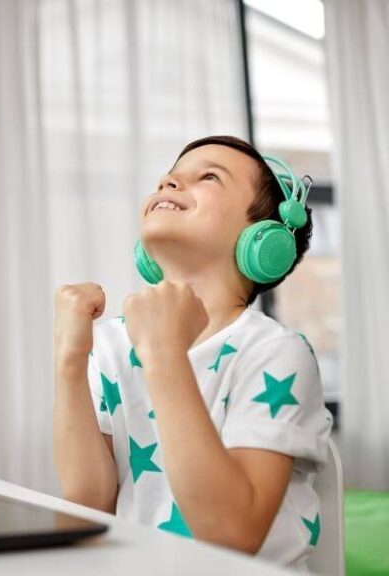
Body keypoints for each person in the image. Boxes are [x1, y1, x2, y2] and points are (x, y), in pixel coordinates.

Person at [53, 135, 332, 568]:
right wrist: (71, 359)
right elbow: (91, 503)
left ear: (262, 239)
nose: (168, 183)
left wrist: (164, 353)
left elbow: (230, 533)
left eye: (207, 176)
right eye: (167, 178)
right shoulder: (110, 343)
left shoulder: (276, 352)